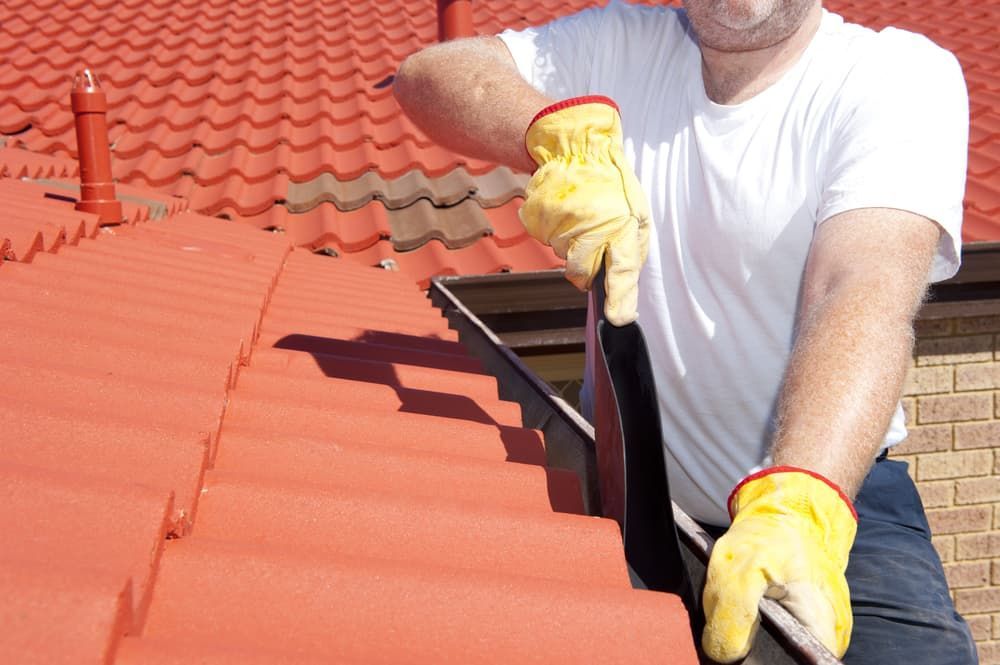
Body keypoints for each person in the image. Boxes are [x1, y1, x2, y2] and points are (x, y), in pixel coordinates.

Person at [393, 1, 975, 662]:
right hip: (632, 503)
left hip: (831, 507)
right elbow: (430, 75)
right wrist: (549, 133)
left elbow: (861, 287)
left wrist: (802, 502)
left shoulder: (893, 77)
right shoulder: (621, 42)